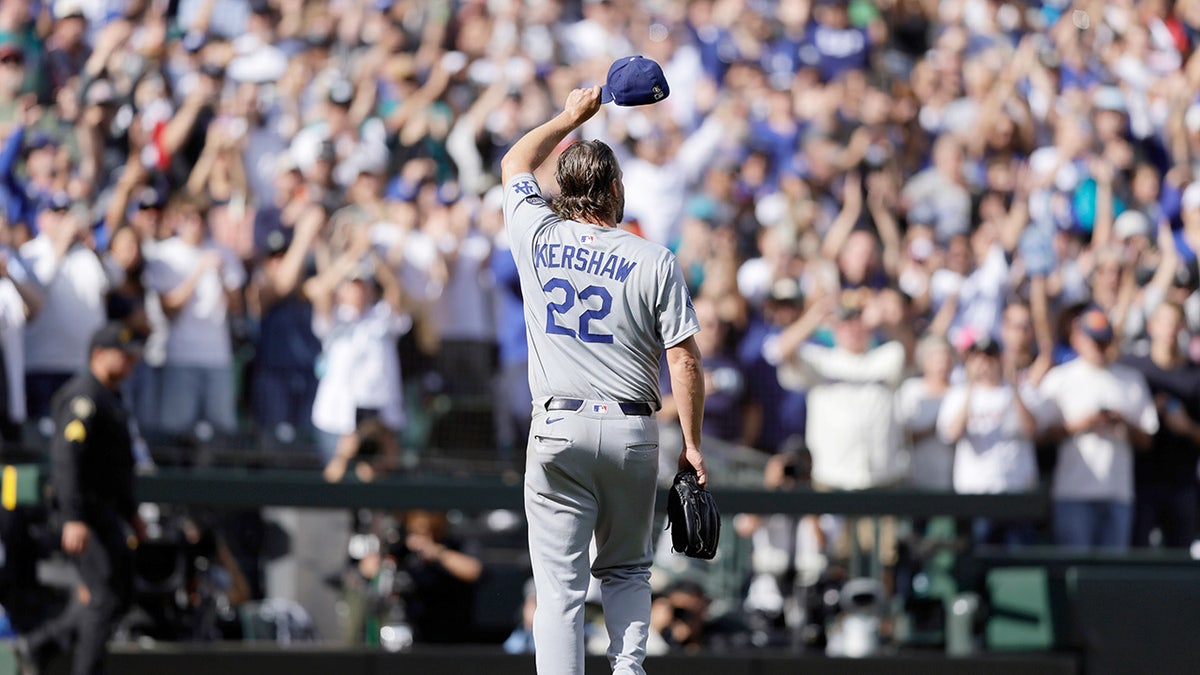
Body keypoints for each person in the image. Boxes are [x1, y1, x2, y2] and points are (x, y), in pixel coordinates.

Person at [500, 83, 707, 675]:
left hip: (558, 425)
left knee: (560, 589)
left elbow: (515, 161)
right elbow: (685, 362)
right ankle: (628, 668)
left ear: (561, 192)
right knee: (627, 569)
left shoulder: (536, 235)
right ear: (616, 191)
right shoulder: (654, 258)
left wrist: (569, 116)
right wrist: (691, 445)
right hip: (630, 430)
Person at [15, 322, 143, 675]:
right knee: (103, 599)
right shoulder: (83, 396)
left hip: (106, 515)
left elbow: (117, 468)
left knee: (120, 594)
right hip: (85, 515)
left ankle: (40, 647)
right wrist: (73, 516)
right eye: (123, 355)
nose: (130, 364)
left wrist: (131, 515)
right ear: (99, 355)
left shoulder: (110, 397)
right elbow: (66, 459)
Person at [1038, 307, 1158, 550]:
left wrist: (1122, 422)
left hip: (1118, 492)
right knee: (1075, 570)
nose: (1099, 346)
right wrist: (1081, 424)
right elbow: (1039, 434)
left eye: (1103, 340)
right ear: (1077, 338)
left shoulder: (1130, 379)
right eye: (1093, 339)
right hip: (1073, 492)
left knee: (1110, 577)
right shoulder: (1060, 378)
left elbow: (1147, 438)